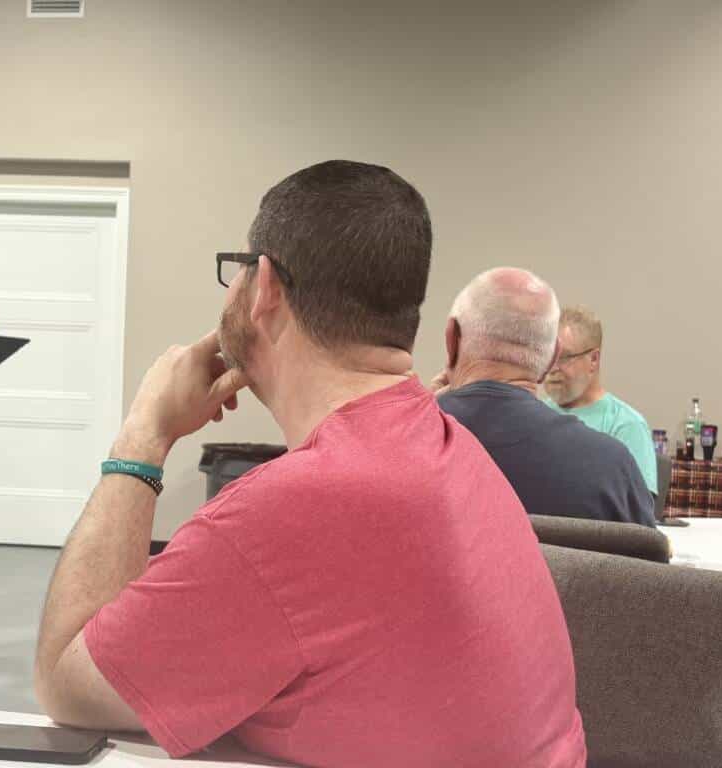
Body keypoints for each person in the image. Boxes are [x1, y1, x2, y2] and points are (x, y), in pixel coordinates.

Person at [34, 161, 586, 767]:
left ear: (266, 288)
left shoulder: (294, 508)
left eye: (238, 269)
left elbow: (66, 681)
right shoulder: (450, 446)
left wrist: (143, 437)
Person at [434, 268, 655, 527]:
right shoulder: (613, 470)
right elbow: (647, 550)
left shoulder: (406, 442)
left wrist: (420, 410)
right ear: (551, 358)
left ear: (451, 340)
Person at [543, 306, 658, 496]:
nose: (553, 368)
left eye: (563, 358)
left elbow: (638, 507)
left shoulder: (626, 425)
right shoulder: (536, 414)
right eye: (548, 356)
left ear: (594, 359)